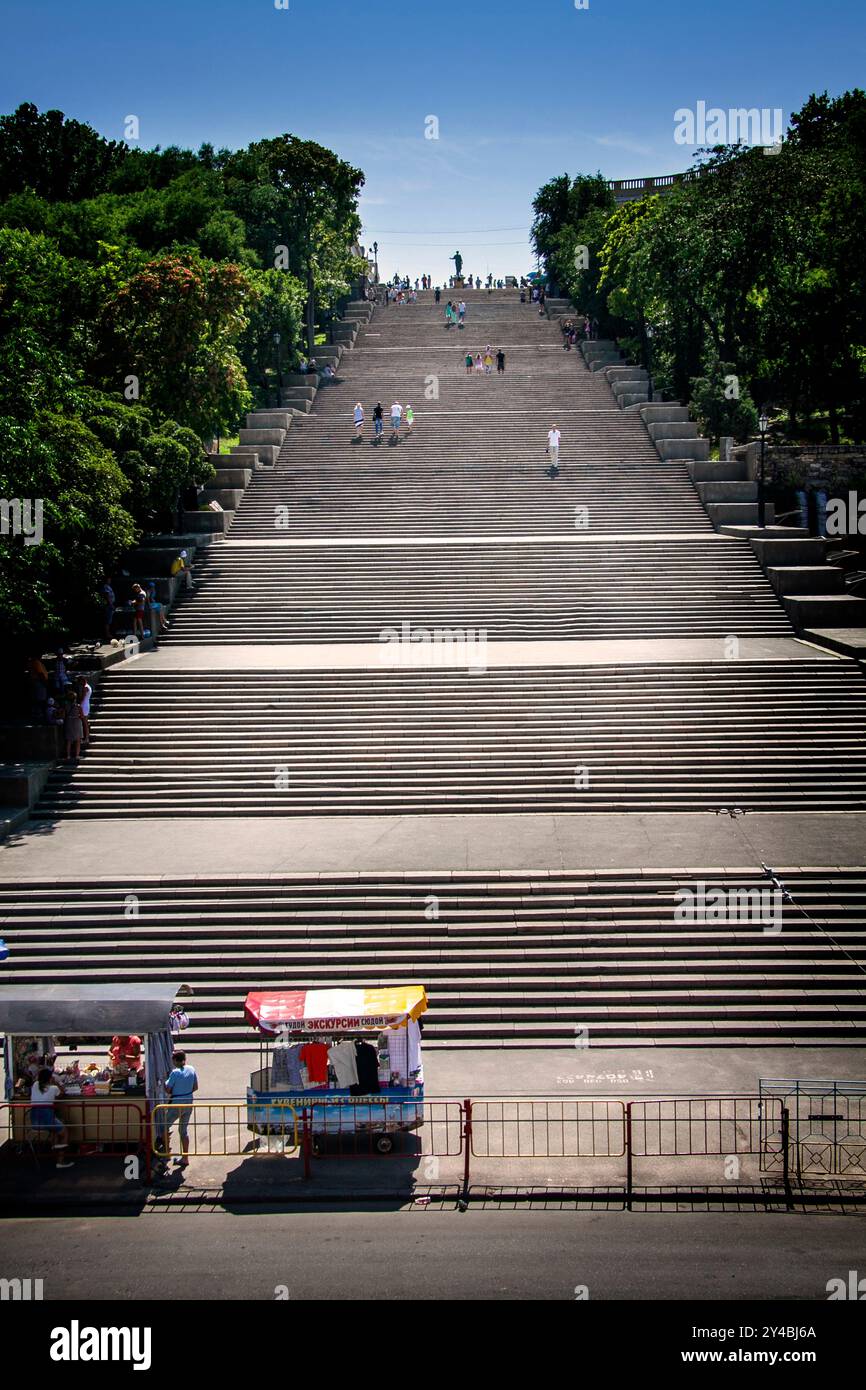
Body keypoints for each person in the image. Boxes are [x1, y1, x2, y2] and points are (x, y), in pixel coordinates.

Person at [29, 1066, 74, 1168]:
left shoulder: (35, 1085)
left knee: (56, 1127)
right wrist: (56, 1082)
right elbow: (62, 1092)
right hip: (48, 1120)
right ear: (50, 1078)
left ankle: (54, 1148)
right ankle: (60, 1161)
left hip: (35, 1121)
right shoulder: (54, 1088)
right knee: (65, 1132)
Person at [163, 1050, 198, 1169]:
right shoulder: (191, 1069)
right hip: (188, 1101)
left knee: (164, 1126)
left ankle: (166, 1153)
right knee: (183, 1130)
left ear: (175, 1061)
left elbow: (167, 1089)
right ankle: (185, 1157)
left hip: (176, 1103)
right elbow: (195, 1087)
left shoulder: (174, 1073)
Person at [64, 692, 84, 763]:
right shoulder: (78, 706)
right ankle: (77, 755)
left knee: (69, 740)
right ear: (75, 698)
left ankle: (68, 755)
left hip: (69, 722)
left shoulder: (66, 706)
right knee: (78, 739)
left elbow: (64, 715)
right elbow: (82, 716)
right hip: (76, 722)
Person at [78, 676, 92, 745]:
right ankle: (86, 737)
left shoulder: (85, 687)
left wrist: (78, 705)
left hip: (84, 705)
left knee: (84, 723)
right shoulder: (88, 686)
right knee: (85, 722)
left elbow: (82, 698)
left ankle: (86, 738)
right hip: (87, 704)